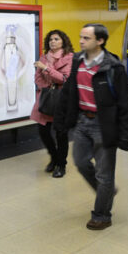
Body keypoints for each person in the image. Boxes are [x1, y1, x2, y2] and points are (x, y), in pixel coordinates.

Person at [54, 23, 128, 230]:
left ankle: (102, 214)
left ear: (100, 41)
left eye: (86, 38)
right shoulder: (77, 60)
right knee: (80, 162)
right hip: (83, 121)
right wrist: (62, 118)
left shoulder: (113, 67)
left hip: (104, 125)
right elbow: (69, 91)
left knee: (104, 174)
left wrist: (127, 135)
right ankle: (106, 190)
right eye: (81, 37)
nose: (81, 41)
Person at [31, 29, 74, 178]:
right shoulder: (43, 58)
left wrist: (48, 70)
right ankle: (54, 157)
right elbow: (37, 78)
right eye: (50, 39)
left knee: (61, 134)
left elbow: (65, 79)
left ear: (63, 41)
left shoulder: (69, 58)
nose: (53, 42)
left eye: (56, 39)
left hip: (61, 100)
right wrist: (48, 87)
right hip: (46, 98)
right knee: (43, 131)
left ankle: (61, 164)